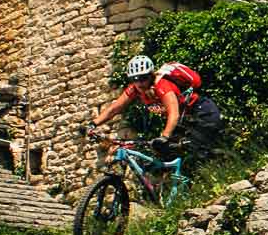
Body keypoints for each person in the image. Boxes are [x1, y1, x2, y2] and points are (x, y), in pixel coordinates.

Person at [90, 55, 224, 162]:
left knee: (197, 151)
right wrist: (93, 124)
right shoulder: (135, 89)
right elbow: (114, 108)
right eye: (135, 79)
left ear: (151, 75)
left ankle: (225, 167)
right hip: (186, 120)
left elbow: (173, 114)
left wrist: (164, 136)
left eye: (143, 78)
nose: (139, 82)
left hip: (202, 112)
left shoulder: (162, 86)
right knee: (165, 155)